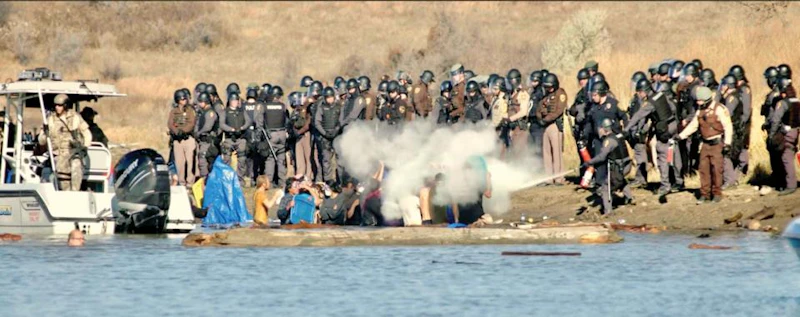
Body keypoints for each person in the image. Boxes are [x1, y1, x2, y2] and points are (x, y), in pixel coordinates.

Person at [625, 79, 683, 197]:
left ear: (644, 91)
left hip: (664, 130)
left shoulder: (650, 103)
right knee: (674, 152)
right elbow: (673, 108)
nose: (639, 95)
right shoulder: (661, 95)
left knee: (662, 153)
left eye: (639, 92)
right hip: (673, 125)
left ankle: (665, 185)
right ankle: (679, 181)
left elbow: (638, 116)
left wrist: (627, 128)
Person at [675, 86, 733, 204]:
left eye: (700, 101)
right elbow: (693, 126)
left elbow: (728, 126)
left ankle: (716, 193)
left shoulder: (720, 109)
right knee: (703, 169)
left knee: (716, 169)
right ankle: (704, 194)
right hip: (705, 144)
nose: (698, 103)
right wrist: (681, 136)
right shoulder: (700, 111)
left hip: (717, 143)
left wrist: (727, 143)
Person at [39, 94, 92, 191]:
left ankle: (75, 192)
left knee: (76, 166)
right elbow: (41, 142)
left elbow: (87, 134)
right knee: (62, 178)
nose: (57, 107)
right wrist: (45, 134)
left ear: (66, 105)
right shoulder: (50, 120)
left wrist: (85, 147)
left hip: (73, 153)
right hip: (57, 155)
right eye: (56, 105)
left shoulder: (75, 117)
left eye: (60, 105)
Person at [581, 118, 633, 214]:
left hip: (618, 168)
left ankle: (608, 211)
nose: (599, 131)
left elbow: (601, 157)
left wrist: (589, 162)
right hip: (627, 165)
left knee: (605, 188)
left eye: (600, 128)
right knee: (620, 179)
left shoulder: (609, 141)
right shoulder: (618, 135)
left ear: (604, 129)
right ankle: (629, 198)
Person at [768, 78, 800, 195]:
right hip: (795, 131)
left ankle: (791, 185)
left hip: (786, 134)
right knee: (790, 156)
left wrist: (771, 135)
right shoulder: (796, 101)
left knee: (786, 158)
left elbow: (776, 120)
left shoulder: (783, 103)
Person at [536, 73, 567, 185]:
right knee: (547, 152)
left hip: (555, 125)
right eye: (547, 87)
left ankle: (558, 178)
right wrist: (540, 118)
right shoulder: (546, 96)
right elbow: (539, 108)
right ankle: (549, 177)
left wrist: (546, 119)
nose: (549, 89)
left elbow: (558, 111)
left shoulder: (560, 94)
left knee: (556, 152)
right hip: (545, 125)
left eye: (550, 86)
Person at [718, 75, 745, 189]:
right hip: (735, 129)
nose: (722, 87)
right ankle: (732, 179)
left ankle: (730, 180)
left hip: (732, 129)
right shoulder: (733, 96)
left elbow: (728, 114)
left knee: (726, 154)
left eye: (724, 85)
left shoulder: (731, 98)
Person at [219, 92, 252, 182]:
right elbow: (222, 124)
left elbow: (248, 122)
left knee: (242, 159)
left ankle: (239, 180)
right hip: (229, 138)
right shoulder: (225, 111)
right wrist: (232, 129)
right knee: (226, 159)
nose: (235, 102)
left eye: (236, 101)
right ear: (229, 101)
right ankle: (227, 179)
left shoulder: (242, 111)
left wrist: (241, 128)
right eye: (233, 101)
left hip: (240, 138)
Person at [167, 89, 197, 186]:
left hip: (188, 139)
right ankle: (181, 182)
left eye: (185, 99)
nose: (184, 101)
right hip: (177, 140)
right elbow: (170, 123)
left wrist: (183, 131)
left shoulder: (190, 111)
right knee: (179, 163)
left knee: (190, 161)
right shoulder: (173, 112)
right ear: (178, 100)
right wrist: (177, 132)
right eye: (182, 99)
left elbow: (191, 123)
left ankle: (190, 182)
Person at [453, 156, 492, 226]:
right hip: (476, 219)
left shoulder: (458, 184)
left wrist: (456, 220)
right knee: (488, 219)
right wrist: (488, 178)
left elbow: (454, 204)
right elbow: (488, 194)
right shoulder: (477, 182)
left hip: (464, 220)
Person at [263, 86, 289, 188]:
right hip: (282, 133)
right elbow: (287, 120)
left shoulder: (265, 106)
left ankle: (269, 182)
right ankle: (282, 183)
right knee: (281, 159)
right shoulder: (283, 106)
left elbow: (261, 121)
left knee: (270, 159)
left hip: (271, 134)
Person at [627, 72, 650, 187]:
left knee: (640, 153)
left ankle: (641, 178)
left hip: (638, 130)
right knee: (638, 153)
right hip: (634, 128)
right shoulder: (636, 99)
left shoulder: (641, 100)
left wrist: (638, 130)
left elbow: (641, 117)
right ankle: (640, 177)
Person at [314, 87, 341, 183]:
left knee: (340, 160)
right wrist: (325, 133)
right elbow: (317, 122)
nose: (329, 99)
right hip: (325, 137)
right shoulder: (321, 108)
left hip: (337, 136)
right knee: (326, 161)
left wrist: (336, 130)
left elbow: (341, 120)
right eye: (327, 97)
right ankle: (328, 181)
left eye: (331, 97)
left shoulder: (338, 107)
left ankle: (340, 181)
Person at [243, 87, 265, 187]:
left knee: (247, 157)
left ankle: (248, 177)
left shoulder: (243, 106)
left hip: (246, 133)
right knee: (257, 157)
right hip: (257, 133)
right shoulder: (259, 106)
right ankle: (255, 177)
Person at [194, 92, 219, 178]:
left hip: (209, 142)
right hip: (203, 141)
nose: (199, 104)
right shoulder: (203, 112)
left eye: (201, 102)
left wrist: (198, 133)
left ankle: (205, 179)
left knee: (203, 160)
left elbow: (208, 127)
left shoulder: (210, 113)